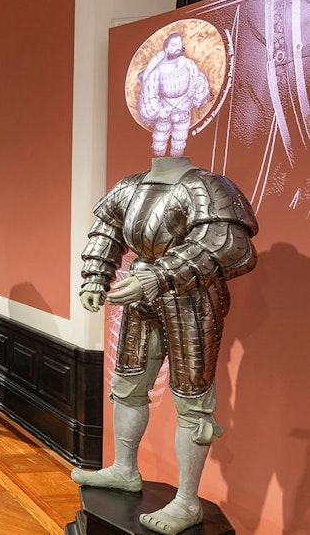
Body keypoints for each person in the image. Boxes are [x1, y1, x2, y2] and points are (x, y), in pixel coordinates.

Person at [74, 156, 258, 535]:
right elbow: (106, 230)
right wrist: (95, 277)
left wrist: (160, 275)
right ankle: (125, 469)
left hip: (193, 299)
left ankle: (188, 501)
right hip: (139, 294)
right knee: (127, 385)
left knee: (192, 400)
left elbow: (224, 244)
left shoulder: (208, 186)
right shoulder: (131, 184)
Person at [137, 32, 211, 157]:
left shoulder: (188, 64)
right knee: (159, 145)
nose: (177, 47)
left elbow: (197, 81)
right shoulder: (158, 71)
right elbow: (150, 94)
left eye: (179, 43)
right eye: (173, 44)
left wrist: (196, 91)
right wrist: (159, 110)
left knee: (179, 144)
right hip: (164, 113)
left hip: (183, 111)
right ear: (166, 48)